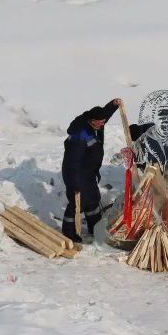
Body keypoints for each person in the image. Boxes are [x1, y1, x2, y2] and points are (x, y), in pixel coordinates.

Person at [61, 98, 122, 242]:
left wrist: (113, 105)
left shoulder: (95, 123)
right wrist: (74, 183)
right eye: (100, 122)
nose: (103, 124)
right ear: (92, 120)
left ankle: (94, 227)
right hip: (77, 174)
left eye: (103, 122)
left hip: (89, 173)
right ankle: (69, 232)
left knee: (93, 199)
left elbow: (103, 115)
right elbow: (72, 163)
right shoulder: (80, 135)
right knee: (77, 203)